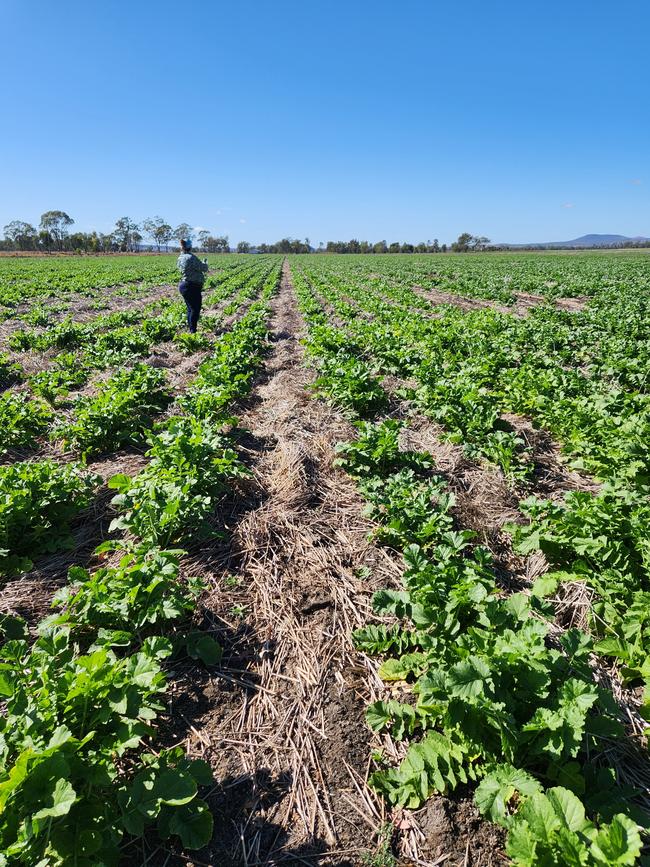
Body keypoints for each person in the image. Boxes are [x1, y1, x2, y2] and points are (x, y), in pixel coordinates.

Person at [176, 239, 209, 333]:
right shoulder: (191, 257)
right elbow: (204, 268)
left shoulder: (180, 257)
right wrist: (205, 263)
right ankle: (193, 331)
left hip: (184, 286)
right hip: (192, 286)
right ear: (190, 247)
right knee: (195, 309)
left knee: (190, 308)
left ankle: (191, 329)